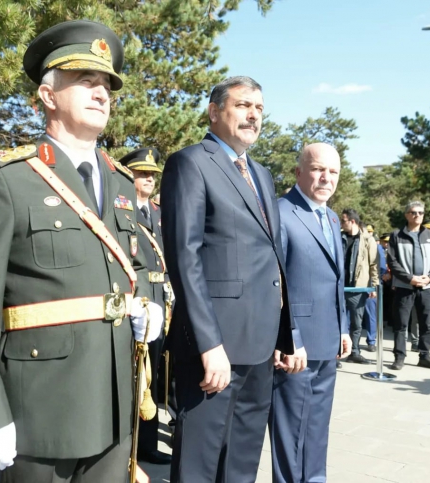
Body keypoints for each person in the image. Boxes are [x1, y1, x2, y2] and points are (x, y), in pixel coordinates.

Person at [0, 20, 161, 482]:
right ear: (47, 95)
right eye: (86, 81)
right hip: (40, 409)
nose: (102, 92)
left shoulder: (121, 182)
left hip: (115, 401)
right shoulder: (7, 177)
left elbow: (135, 263)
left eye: (107, 85)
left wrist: (151, 305)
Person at [160, 76, 294, 482]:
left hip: (259, 345)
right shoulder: (191, 163)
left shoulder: (263, 175)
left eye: (259, 108)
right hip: (214, 349)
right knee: (199, 464)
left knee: (242, 462)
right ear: (215, 111)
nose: (253, 115)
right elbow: (186, 258)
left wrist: (282, 336)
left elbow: (270, 259)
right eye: (243, 105)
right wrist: (209, 344)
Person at [269, 143, 349, 483]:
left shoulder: (331, 217)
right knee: (290, 435)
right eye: (318, 169)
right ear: (299, 171)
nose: (325, 178)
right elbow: (274, 283)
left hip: (328, 341)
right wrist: (288, 339)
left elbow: (335, 280)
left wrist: (343, 327)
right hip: (295, 346)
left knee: (317, 429)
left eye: (333, 172)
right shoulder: (281, 212)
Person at [119, 147, 172, 465]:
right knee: (132, 376)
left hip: (158, 299)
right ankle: (125, 445)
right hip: (135, 302)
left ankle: (148, 444)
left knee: (153, 375)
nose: (149, 178)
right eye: (142, 173)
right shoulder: (120, 210)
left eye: (152, 174)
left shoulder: (157, 212)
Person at [387, 201, 430, 370]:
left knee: (426, 324)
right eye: (413, 212)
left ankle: (425, 356)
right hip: (405, 286)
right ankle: (399, 357)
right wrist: (410, 278)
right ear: (406, 215)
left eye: (420, 213)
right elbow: (392, 261)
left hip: (425, 286)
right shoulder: (397, 235)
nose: (417, 215)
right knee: (401, 324)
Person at [341, 208, 379, 364]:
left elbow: (373, 264)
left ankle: (354, 352)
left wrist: (375, 285)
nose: (341, 224)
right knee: (338, 322)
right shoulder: (338, 237)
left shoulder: (367, 239)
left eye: (343, 221)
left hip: (358, 288)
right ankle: (338, 353)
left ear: (352, 221)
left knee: (357, 323)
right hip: (338, 287)